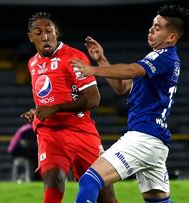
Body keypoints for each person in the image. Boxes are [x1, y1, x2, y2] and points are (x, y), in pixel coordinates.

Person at [70, 4, 189, 203]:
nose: (151, 30)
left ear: (171, 37)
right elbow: (122, 87)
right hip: (155, 143)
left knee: (90, 181)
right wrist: (102, 60)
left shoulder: (165, 57)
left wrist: (93, 70)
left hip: (142, 137)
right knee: (158, 201)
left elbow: (130, 70)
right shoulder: (156, 57)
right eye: (152, 25)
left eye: (158, 27)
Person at [20, 12, 117, 203]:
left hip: (81, 131)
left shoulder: (74, 57)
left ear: (56, 32)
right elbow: (47, 97)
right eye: (38, 32)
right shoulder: (32, 63)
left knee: (106, 196)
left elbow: (93, 99)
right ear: (31, 37)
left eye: (49, 31)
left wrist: (55, 108)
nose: (45, 36)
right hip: (50, 133)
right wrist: (38, 111)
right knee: (53, 181)